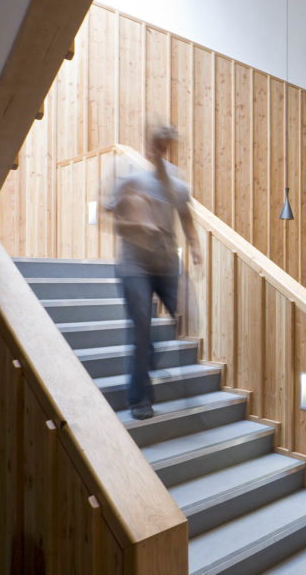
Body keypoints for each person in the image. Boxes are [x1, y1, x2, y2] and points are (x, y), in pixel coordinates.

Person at [109, 122, 202, 419]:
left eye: (166, 145)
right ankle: (139, 399)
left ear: (171, 147)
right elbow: (116, 221)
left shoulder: (178, 183)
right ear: (149, 146)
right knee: (140, 329)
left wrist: (195, 245)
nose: (160, 150)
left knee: (187, 315)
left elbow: (186, 218)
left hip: (165, 266)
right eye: (156, 144)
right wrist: (141, 224)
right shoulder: (132, 182)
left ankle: (146, 356)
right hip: (134, 266)